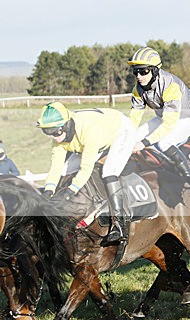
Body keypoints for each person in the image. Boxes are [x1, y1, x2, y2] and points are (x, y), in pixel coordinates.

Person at [36, 102, 137, 245]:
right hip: (93, 138)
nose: (54, 137)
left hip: (121, 130)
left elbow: (86, 168)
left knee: (109, 172)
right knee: (65, 170)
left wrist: (70, 191)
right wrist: (48, 192)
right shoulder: (59, 139)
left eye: (55, 132)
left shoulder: (88, 130)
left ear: (66, 126)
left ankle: (119, 224)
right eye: (47, 132)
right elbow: (56, 168)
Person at [128, 46, 190, 177]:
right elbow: (134, 118)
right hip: (164, 116)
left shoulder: (170, 85)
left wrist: (145, 143)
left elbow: (168, 124)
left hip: (186, 118)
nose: (139, 76)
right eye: (135, 72)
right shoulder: (137, 89)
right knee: (132, 137)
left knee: (163, 143)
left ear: (155, 71)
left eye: (143, 71)